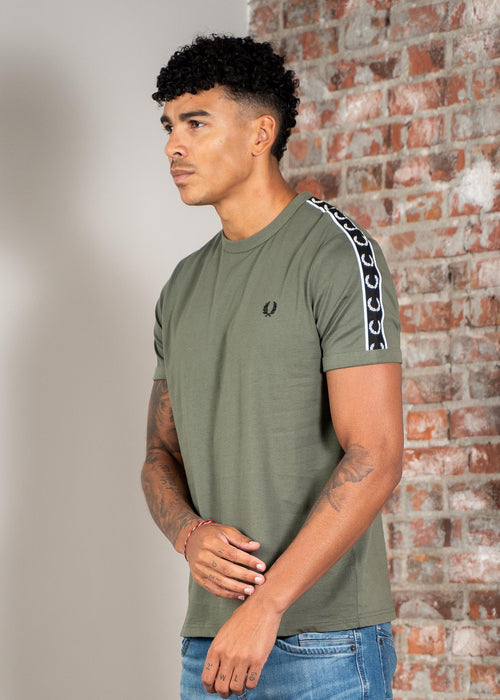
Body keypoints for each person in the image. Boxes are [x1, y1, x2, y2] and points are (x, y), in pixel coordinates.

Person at [141, 34, 403, 700]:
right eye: (169, 127)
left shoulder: (336, 253)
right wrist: (188, 535)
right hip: (209, 646)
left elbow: (376, 455)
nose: (173, 146)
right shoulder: (182, 286)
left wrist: (267, 605)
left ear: (261, 133)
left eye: (196, 124)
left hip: (324, 645)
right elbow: (158, 456)